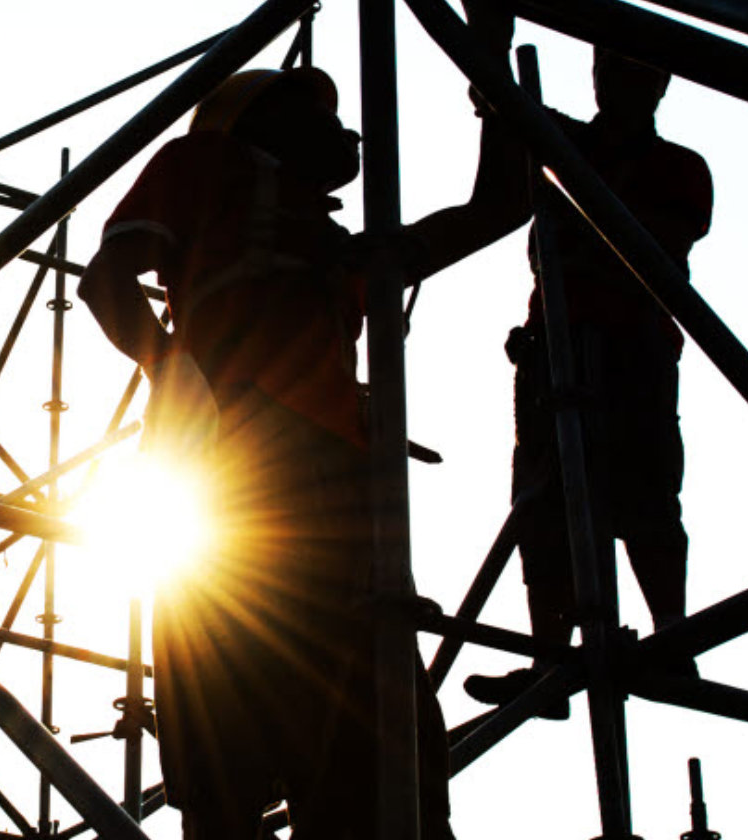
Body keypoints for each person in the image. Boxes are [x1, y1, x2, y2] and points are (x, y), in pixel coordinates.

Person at [80, 66, 503, 840]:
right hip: (235, 461)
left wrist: (492, 70)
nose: (345, 131)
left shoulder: (339, 250)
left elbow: (493, 210)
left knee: (376, 752)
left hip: (339, 495)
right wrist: (170, 364)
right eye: (315, 112)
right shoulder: (206, 167)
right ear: (257, 121)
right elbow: (106, 278)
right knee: (224, 744)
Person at [461, 28, 713, 718]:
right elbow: (491, 97)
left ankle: (673, 644)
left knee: (647, 498)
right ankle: (550, 658)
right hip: (553, 351)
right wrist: (489, 37)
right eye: (607, 67)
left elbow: (661, 232)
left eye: (630, 71)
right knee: (545, 504)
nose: (613, 83)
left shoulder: (678, 167)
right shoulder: (562, 140)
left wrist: (562, 155)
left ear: (657, 84)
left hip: (633, 350)